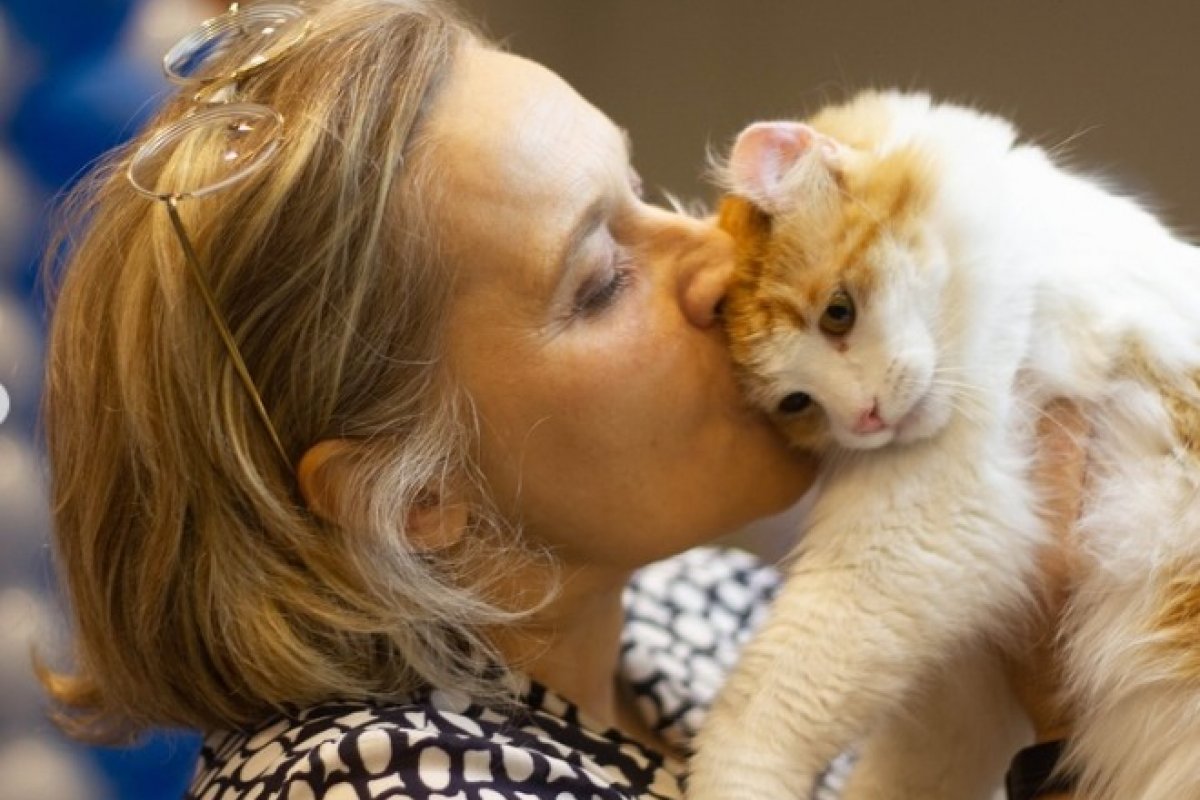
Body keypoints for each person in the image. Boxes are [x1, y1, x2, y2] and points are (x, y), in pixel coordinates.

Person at [39, 1, 1085, 797]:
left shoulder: (705, 606)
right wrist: (1066, 716)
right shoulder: (368, 778)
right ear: (414, 497)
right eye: (599, 279)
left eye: (645, 191)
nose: (721, 258)